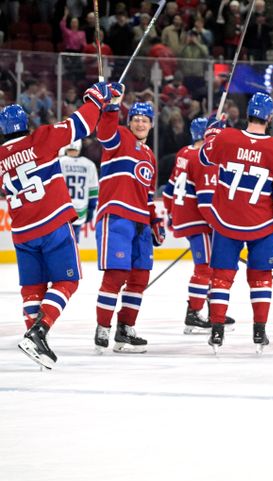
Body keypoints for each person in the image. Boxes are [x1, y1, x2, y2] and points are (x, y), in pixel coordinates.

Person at [6, 84, 115, 369]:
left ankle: (35, 342)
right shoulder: (39, 139)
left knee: (32, 287)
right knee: (68, 281)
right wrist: (96, 97)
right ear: (26, 125)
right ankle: (39, 332)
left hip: (21, 232)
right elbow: (81, 123)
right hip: (52, 223)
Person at [198, 93, 273, 353]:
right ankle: (259, 332)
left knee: (221, 277)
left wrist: (211, 133)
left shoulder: (227, 137)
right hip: (262, 224)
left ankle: (217, 331)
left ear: (247, 113)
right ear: (271, 117)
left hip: (226, 221)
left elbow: (205, 157)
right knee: (261, 277)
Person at [94, 97, 163, 354]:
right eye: (136, 119)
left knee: (140, 276)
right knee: (116, 274)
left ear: (152, 124)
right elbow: (104, 132)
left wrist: (155, 220)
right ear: (129, 121)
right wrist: (111, 107)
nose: (140, 123)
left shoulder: (150, 156)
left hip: (141, 222)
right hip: (117, 216)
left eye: (145, 120)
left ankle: (125, 328)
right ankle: (103, 327)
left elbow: (148, 195)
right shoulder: (119, 137)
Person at [163, 117, 235, 335]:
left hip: (186, 217)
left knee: (208, 267)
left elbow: (169, 190)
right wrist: (222, 227)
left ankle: (213, 312)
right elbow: (205, 203)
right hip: (199, 221)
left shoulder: (184, 153)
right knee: (205, 268)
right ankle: (194, 314)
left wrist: (172, 214)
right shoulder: (207, 160)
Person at [59, 139, 98, 244]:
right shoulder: (89, 164)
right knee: (74, 244)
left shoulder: (60, 162)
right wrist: (91, 208)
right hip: (80, 211)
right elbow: (93, 191)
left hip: (62, 210)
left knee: (60, 245)